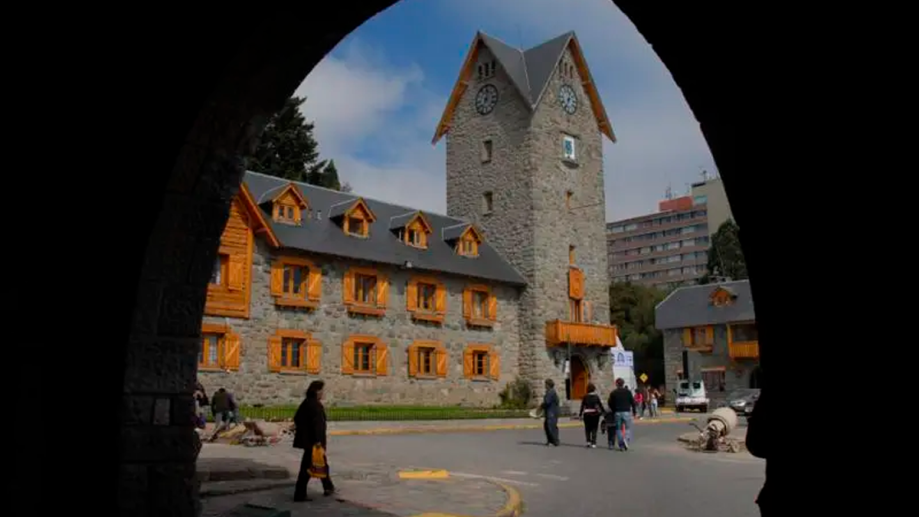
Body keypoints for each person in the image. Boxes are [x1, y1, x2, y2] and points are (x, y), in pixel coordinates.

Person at [293, 380, 335, 501]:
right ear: (317, 391)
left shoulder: (306, 403)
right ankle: (300, 494)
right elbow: (318, 426)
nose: (323, 393)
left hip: (308, 441)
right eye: (322, 390)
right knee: (307, 468)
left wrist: (303, 430)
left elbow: (297, 418)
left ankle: (328, 486)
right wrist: (318, 441)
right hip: (314, 443)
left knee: (322, 464)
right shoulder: (316, 405)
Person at [607, 378, 636, 451]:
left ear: (617, 384)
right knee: (627, 428)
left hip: (617, 412)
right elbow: (632, 402)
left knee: (618, 429)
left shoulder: (613, 393)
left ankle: (621, 445)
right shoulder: (628, 392)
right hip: (626, 411)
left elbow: (610, 403)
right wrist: (634, 411)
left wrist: (614, 409)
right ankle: (625, 439)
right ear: (623, 384)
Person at [578, 383, 605, 448]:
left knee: (587, 428)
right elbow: (600, 405)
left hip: (587, 414)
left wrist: (580, 414)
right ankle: (594, 443)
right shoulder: (596, 397)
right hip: (595, 414)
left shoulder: (585, 397)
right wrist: (604, 412)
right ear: (594, 389)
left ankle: (588, 442)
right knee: (594, 428)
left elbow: (582, 406)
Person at [540, 379, 560, 446]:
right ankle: (550, 441)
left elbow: (547, 402)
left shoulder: (551, 392)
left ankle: (555, 441)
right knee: (547, 426)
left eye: (546, 384)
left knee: (551, 427)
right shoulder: (550, 392)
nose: (545, 386)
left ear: (549, 385)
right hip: (550, 412)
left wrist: (541, 406)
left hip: (551, 412)